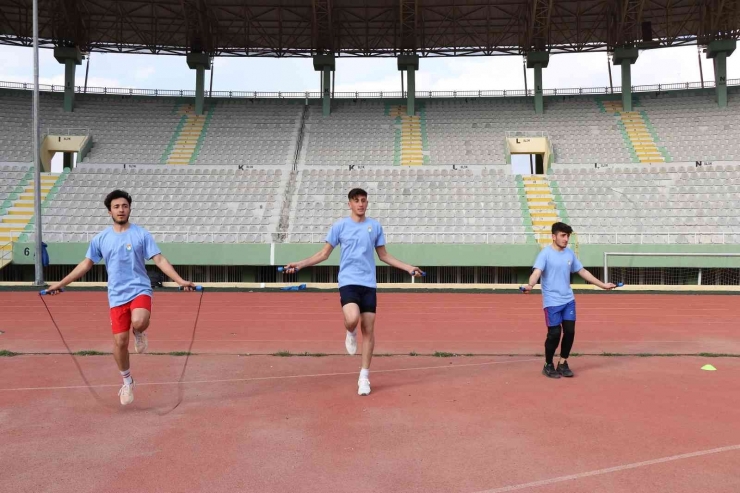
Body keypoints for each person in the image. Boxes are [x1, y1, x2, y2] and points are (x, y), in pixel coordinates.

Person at [46, 190, 195, 405]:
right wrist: (60, 284)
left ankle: (139, 332)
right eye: (116, 207)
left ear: (130, 209)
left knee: (139, 320)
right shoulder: (101, 239)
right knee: (119, 342)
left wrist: (180, 280)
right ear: (110, 211)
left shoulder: (141, 235)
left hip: (139, 289)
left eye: (124, 206)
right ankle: (127, 381)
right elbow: (85, 264)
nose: (121, 210)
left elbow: (159, 259)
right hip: (116, 296)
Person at [283, 188, 422, 396]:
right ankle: (350, 332)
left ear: (367, 203)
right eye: (356, 201)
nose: (360, 204)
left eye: (363, 200)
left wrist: (408, 268)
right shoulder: (340, 226)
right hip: (348, 281)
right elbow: (324, 254)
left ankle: (364, 376)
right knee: (352, 318)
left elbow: (384, 255)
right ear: (349, 203)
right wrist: (300, 265)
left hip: (369, 284)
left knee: (369, 329)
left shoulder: (374, 227)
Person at [521, 222, 616, 379]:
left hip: (568, 300)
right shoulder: (545, 254)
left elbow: (582, 271)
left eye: (568, 236)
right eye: (563, 236)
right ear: (554, 236)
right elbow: (537, 272)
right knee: (554, 334)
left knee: (570, 332)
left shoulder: (569, 254)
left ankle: (563, 363)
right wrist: (530, 284)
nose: (566, 239)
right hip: (552, 301)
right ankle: (548, 364)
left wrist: (602, 285)